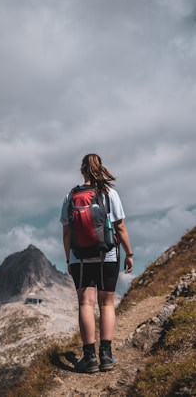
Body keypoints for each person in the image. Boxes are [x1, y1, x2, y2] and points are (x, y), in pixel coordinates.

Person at [60, 153, 134, 373]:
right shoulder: (110, 193)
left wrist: (69, 258)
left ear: (82, 170)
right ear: (100, 168)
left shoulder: (70, 195)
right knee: (106, 304)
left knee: (85, 304)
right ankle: (107, 355)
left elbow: (66, 233)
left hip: (80, 257)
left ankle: (89, 358)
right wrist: (129, 253)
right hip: (107, 254)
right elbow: (120, 227)